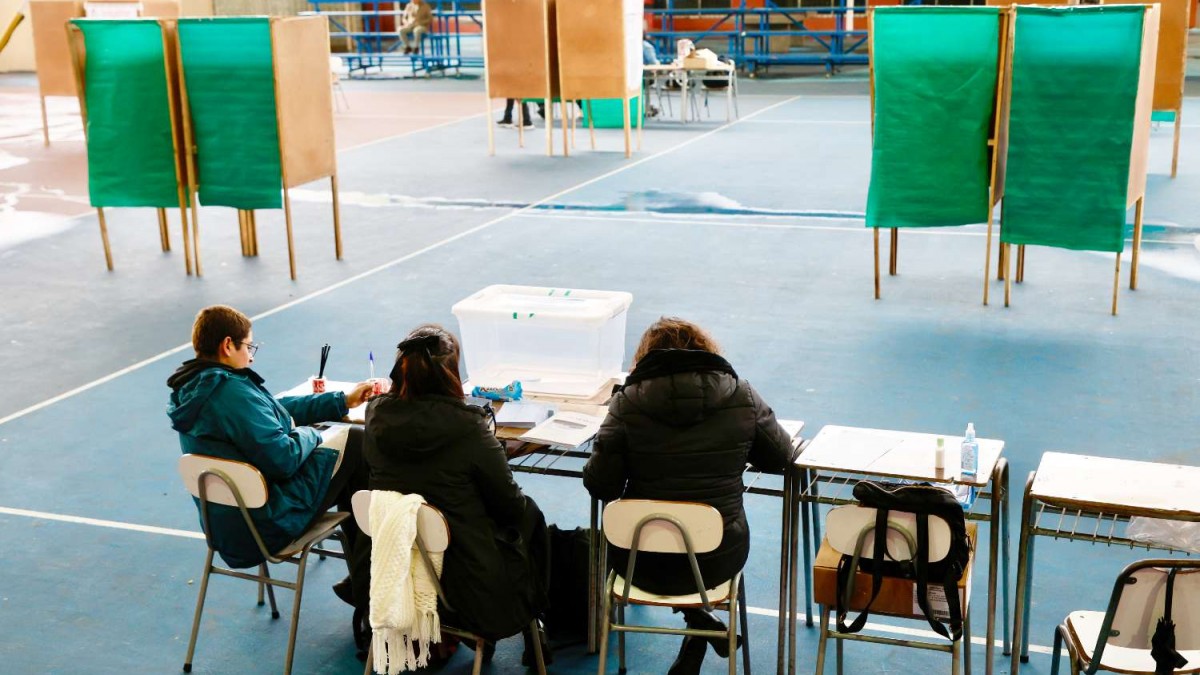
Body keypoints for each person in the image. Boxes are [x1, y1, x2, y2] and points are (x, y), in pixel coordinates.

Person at [583, 316, 797, 674]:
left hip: (640, 560)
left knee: (665, 540)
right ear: (705, 350)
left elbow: (600, 486)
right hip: (718, 556)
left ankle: (700, 625)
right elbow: (782, 458)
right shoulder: (741, 394)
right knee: (692, 548)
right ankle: (701, 623)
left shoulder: (626, 404)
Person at [166, 305, 375, 648]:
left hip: (227, 528)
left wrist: (340, 401)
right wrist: (315, 435)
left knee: (350, 469)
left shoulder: (194, 387)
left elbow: (274, 411)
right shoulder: (229, 392)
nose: (251, 355)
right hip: (269, 522)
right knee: (358, 445)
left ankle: (362, 588)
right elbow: (284, 459)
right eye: (250, 347)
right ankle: (370, 599)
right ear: (228, 345)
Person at [363, 323, 550, 662]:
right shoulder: (468, 426)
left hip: (403, 557)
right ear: (451, 373)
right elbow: (509, 507)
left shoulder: (375, 414)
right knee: (530, 514)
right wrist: (493, 452)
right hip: (467, 580)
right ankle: (533, 620)